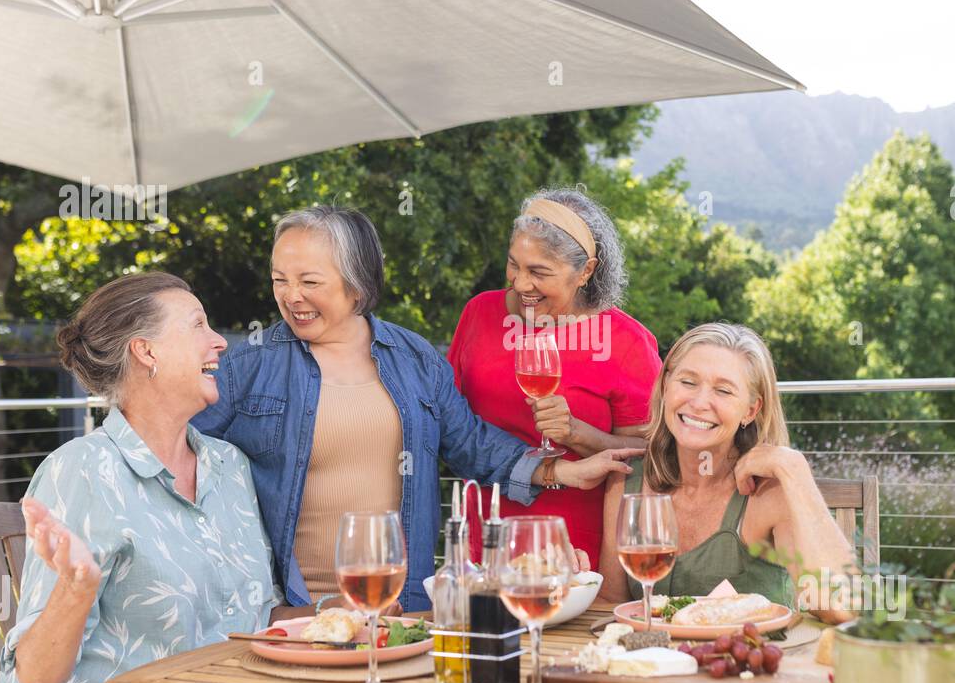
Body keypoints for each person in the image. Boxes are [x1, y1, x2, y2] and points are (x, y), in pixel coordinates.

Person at [194, 206, 638, 615]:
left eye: (309, 282)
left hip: (401, 608)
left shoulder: (415, 360)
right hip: (294, 612)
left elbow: (470, 443)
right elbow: (180, 459)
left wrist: (560, 472)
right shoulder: (246, 366)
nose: (291, 297)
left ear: (356, 283)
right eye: (279, 280)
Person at [0, 273, 284, 683]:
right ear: (147, 352)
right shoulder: (81, 472)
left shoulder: (229, 467)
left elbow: (257, 617)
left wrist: (347, 617)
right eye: (198, 326)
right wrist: (76, 588)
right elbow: (33, 681)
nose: (219, 343)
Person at [448, 188, 661, 569]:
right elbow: (453, 424)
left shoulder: (626, 342)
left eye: (539, 272)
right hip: (485, 534)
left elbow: (652, 451)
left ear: (586, 271)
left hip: (574, 547)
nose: (520, 283)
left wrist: (578, 434)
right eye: (514, 264)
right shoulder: (479, 313)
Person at [598, 323, 858, 623]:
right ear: (666, 386)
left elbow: (843, 607)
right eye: (688, 381)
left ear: (750, 410)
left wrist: (794, 468)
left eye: (723, 390)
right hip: (658, 664)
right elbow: (612, 604)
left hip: (752, 665)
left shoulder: (770, 493)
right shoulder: (626, 481)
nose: (699, 403)